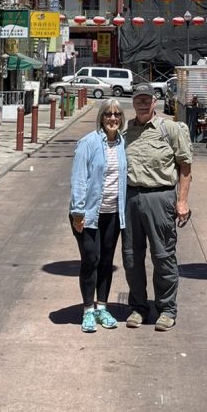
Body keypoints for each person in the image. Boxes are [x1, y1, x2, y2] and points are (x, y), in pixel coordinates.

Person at [122, 83, 192, 331]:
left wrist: (182, 201)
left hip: (160, 198)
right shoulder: (126, 130)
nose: (142, 104)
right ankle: (139, 307)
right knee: (131, 257)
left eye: (147, 99)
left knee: (163, 257)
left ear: (155, 102)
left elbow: (185, 166)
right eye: (138, 99)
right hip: (130, 199)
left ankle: (166, 309)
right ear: (133, 102)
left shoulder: (170, 129)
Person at [69, 98, 127, 333]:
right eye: (108, 114)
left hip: (113, 213)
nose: (112, 118)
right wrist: (78, 212)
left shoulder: (123, 144)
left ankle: (102, 306)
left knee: (106, 262)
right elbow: (79, 179)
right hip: (88, 214)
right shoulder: (88, 143)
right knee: (90, 260)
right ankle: (87, 311)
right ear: (101, 118)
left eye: (116, 115)